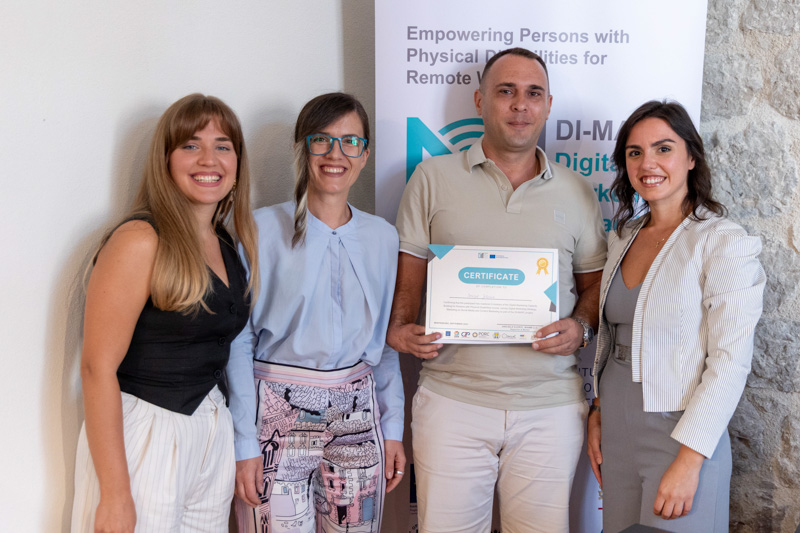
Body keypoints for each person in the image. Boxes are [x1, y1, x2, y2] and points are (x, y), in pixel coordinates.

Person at [387, 47, 607, 532]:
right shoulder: (432, 178)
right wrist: (399, 328)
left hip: (550, 408)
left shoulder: (577, 191)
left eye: (533, 93)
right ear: (480, 100)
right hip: (452, 401)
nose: (520, 105)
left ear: (548, 105)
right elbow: (409, 278)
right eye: (506, 91)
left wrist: (581, 327)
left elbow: (594, 286)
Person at [71, 93, 259, 533]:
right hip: (145, 434)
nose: (208, 159)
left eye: (222, 146)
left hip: (210, 432)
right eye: (191, 145)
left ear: (237, 162)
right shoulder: (140, 239)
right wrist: (115, 494)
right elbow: (97, 368)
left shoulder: (226, 242)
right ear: (166, 160)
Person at [227, 92, 405, 533]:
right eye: (321, 140)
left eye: (350, 142)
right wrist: (244, 443)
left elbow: (384, 344)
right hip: (276, 409)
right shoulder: (258, 230)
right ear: (302, 149)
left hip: (358, 413)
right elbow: (238, 341)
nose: (335, 154)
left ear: (365, 155)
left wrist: (394, 427)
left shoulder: (383, 237)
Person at [586, 100, 765, 532]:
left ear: (691, 158)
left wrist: (689, 460)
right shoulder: (623, 237)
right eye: (635, 152)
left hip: (682, 434)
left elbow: (730, 361)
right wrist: (598, 410)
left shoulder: (722, 241)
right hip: (616, 430)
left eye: (663, 149)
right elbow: (611, 337)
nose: (647, 163)